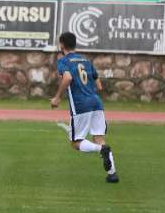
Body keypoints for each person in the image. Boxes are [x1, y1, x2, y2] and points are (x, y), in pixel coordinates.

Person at [49, 31, 120, 183]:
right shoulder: (86, 60)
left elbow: (67, 78)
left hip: (81, 104)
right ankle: (112, 173)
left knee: (76, 142)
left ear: (62, 44)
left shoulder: (63, 61)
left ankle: (101, 150)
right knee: (99, 137)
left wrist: (57, 97)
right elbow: (99, 85)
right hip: (96, 102)